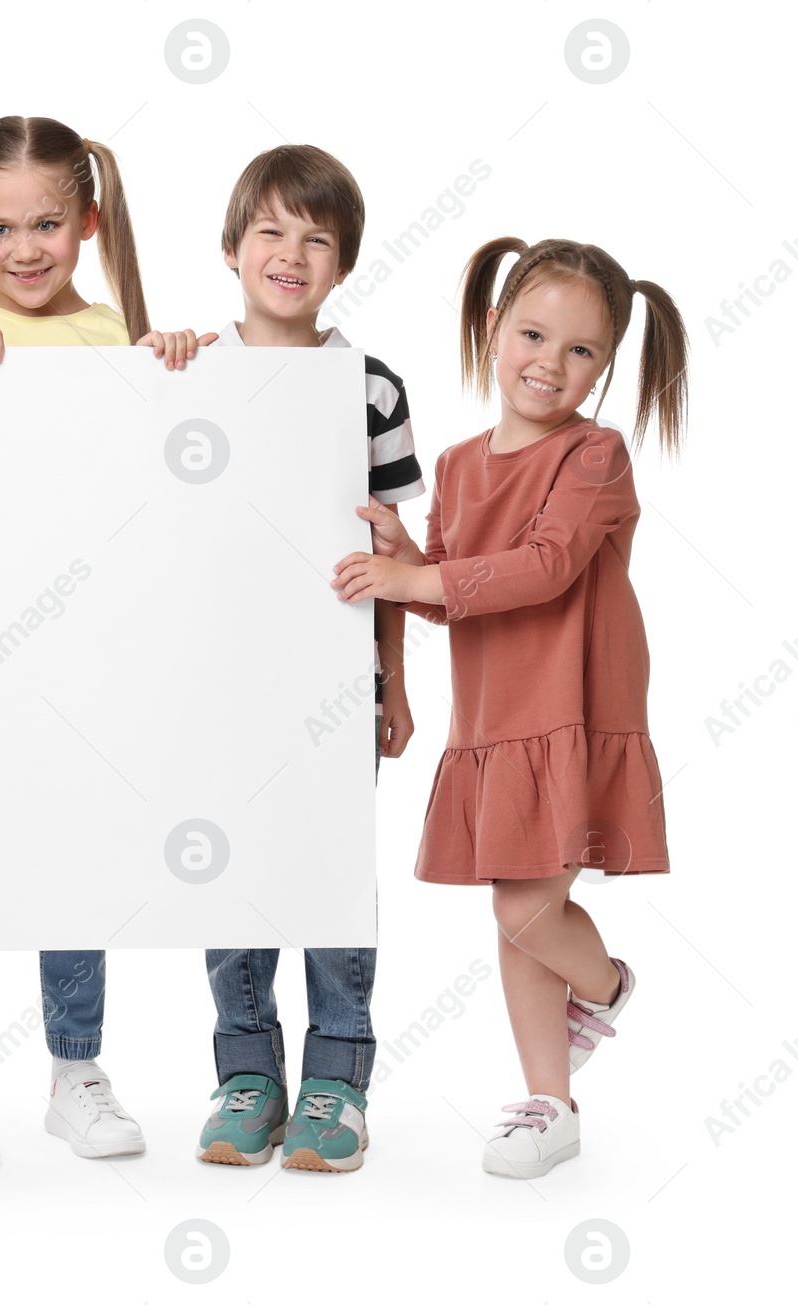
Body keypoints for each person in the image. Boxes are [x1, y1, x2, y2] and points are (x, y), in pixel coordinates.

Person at [332, 235, 688, 1177]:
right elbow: (448, 590)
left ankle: (607, 987)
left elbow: (544, 567)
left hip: (572, 700)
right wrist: (404, 554)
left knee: (533, 912)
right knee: (513, 908)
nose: (551, 364)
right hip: (494, 714)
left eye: (581, 353)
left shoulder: (595, 454)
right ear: (495, 330)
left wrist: (422, 570)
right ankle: (549, 1101)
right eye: (534, 334)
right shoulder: (454, 463)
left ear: (605, 366)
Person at [0, 114, 208, 1167]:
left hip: (83, 648)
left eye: (46, 224)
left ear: (87, 220)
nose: (24, 250)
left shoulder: (115, 332)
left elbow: (149, 475)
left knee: (75, 853)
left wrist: (169, 362)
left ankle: (74, 1066)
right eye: (0, 228)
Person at [192, 145, 425, 1173]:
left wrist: (395, 682)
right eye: (271, 232)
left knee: (330, 868)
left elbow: (388, 554)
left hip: (331, 681)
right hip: (215, 682)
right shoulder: (186, 373)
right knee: (228, 872)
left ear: (343, 264)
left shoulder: (368, 389)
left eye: (316, 239)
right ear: (232, 246)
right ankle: (247, 1074)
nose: (291, 255)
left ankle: (337, 1078)